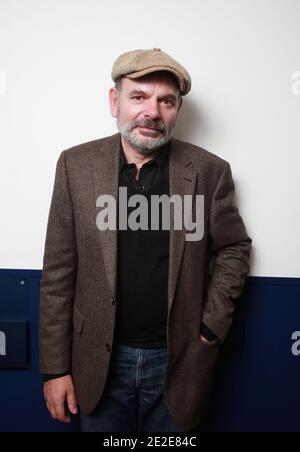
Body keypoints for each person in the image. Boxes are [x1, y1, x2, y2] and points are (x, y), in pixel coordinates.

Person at [39, 48, 252, 432]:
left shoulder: (209, 172)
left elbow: (234, 248)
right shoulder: (75, 166)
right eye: (139, 96)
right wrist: (54, 368)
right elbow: (57, 273)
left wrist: (211, 325)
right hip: (97, 362)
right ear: (114, 100)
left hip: (179, 360)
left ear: (176, 110)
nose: (152, 112)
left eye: (166, 101)